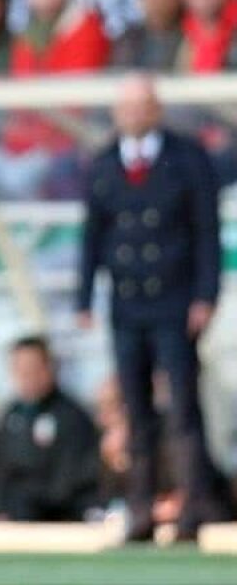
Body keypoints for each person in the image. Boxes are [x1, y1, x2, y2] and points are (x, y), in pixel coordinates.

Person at [77, 74, 221, 542]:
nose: (134, 115)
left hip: (175, 301)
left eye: (143, 106)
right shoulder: (102, 163)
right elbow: (93, 235)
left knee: (182, 407)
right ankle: (139, 509)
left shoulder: (187, 158)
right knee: (134, 409)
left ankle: (191, 507)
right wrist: (84, 297)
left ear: (156, 109)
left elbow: (206, 232)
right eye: (127, 107)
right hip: (127, 302)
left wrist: (205, 296)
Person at [0, 336, 100, 521]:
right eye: (20, 369)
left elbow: (73, 478)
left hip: (58, 517)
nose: (26, 376)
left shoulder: (72, 416)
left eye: (33, 368)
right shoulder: (11, 414)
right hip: (15, 517)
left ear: (50, 368)